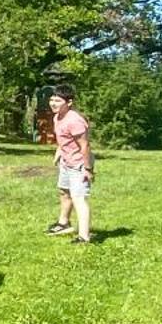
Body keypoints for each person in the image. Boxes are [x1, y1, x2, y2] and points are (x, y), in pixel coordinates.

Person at [47, 84, 94, 243]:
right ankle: (63, 223)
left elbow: (85, 145)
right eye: (52, 99)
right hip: (66, 162)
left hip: (79, 164)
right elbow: (63, 140)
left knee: (78, 198)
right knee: (64, 191)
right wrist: (58, 153)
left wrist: (88, 169)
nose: (53, 103)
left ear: (69, 102)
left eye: (58, 100)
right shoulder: (57, 117)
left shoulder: (75, 121)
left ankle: (84, 236)